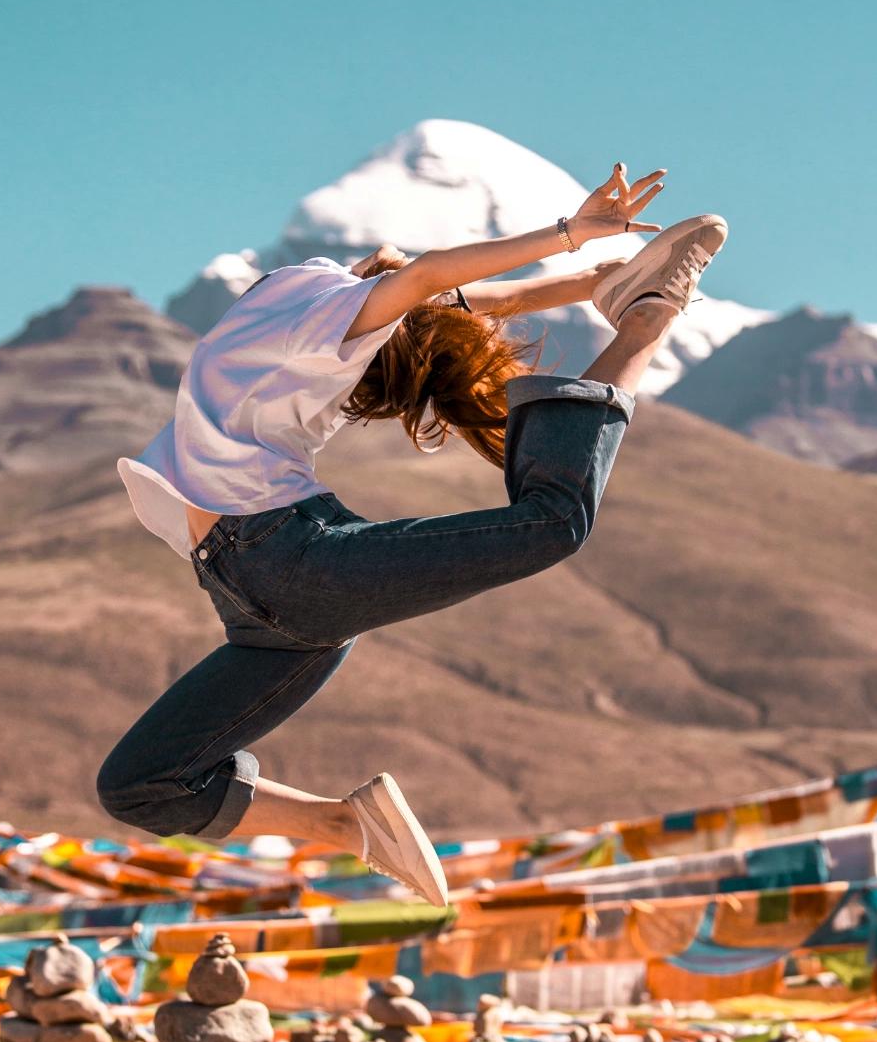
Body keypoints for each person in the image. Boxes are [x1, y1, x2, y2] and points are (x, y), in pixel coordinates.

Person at [99, 162, 727, 906]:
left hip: (288, 568)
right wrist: (578, 259)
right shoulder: (321, 315)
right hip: (263, 594)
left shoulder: (291, 301)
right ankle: (348, 825)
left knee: (556, 523)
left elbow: (437, 286)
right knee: (138, 787)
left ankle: (648, 321)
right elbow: (439, 288)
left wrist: (578, 254)